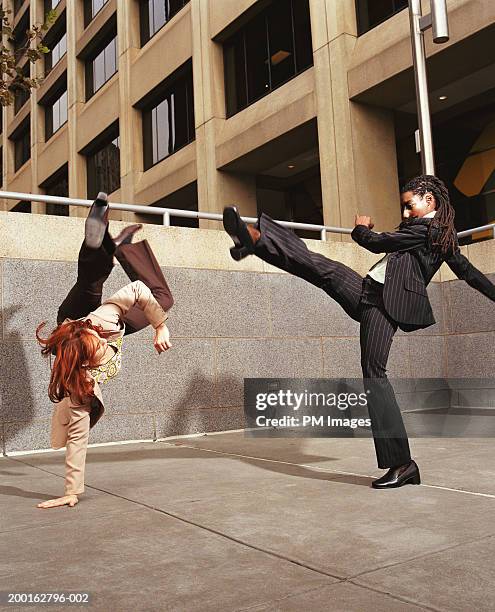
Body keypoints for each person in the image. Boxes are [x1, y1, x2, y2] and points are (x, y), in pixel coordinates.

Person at [223, 175, 495, 489]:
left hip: (384, 306)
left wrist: (360, 228)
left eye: (410, 205)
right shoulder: (434, 235)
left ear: (430, 200)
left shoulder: (428, 231)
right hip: (367, 291)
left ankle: (403, 464)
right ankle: (256, 240)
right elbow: (470, 273)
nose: (405, 213)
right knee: (322, 268)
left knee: (374, 374)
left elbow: (376, 243)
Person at [35, 193, 174, 508]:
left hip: (74, 321)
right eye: (97, 347)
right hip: (73, 330)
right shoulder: (80, 383)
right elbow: (77, 440)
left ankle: (105, 241)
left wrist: (159, 326)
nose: (100, 344)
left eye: (97, 340)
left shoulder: (102, 321)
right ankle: (115, 248)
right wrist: (71, 491)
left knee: (93, 285)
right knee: (96, 283)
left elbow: (137, 290)